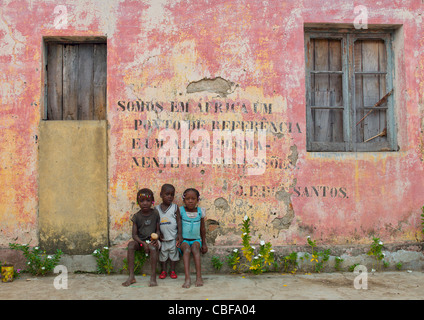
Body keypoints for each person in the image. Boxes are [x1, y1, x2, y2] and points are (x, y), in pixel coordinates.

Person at [122, 188, 161, 287]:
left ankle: (153, 277)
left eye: (148, 201)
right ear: (138, 202)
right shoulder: (137, 216)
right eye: (142, 201)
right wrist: (143, 243)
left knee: (152, 248)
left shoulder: (155, 214)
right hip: (140, 241)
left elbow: (158, 230)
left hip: (151, 241)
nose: (145, 203)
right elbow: (134, 235)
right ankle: (131, 276)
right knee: (131, 245)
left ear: (152, 202)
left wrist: (156, 239)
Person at [179, 188, 208, 288]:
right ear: (184, 200)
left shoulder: (200, 211)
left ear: (197, 200)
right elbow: (178, 226)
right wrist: (178, 239)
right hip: (184, 240)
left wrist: (204, 243)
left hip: (196, 240)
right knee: (187, 249)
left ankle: (199, 277)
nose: (190, 201)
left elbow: (203, 229)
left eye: (193, 198)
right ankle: (187, 278)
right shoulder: (181, 211)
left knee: (195, 249)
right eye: (187, 199)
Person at [156, 184, 182, 279]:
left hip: (173, 237)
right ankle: (163, 270)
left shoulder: (175, 207)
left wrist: (179, 234)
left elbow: (179, 221)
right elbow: (156, 222)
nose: (170, 196)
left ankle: (172, 270)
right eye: (167, 194)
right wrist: (158, 232)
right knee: (163, 255)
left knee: (173, 255)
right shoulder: (157, 209)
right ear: (161, 195)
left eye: (172, 194)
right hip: (163, 238)